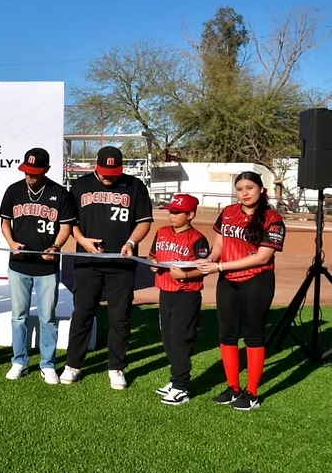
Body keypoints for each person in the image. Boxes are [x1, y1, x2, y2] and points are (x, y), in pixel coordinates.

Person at [62, 146, 153, 390]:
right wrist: (82, 241)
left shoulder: (134, 186)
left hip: (121, 264)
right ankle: (73, 364)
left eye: (113, 173)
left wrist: (131, 242)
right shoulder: (80, 185)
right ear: (96, 167)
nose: (108, 177)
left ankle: (116, 367)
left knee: (120, 317)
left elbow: (144, 222)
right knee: (82, 313)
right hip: (88, 262)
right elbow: (70, 222)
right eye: (104, 172)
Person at [196, 171, 285, 411]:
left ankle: (252, 393)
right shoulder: (228, 212)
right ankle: (233, 387)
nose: (244, 193)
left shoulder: (272, 218)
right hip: (228, 281)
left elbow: (262, 257)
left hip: (257, 281)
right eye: (240, 189)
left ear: (261, 189)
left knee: (254, 336)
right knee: (227, 335)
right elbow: (219, 244)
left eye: (250, 188)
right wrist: (208, 260)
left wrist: (219, 266)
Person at [0, 148, 76, 384]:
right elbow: (5, 222)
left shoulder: (59, 193)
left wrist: (55, 247)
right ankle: (19, 361)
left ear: (46, 170)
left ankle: (48, 364)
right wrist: (11, 243)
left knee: (47, 317)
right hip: (19, 264)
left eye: (35, 172)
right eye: (27, 172)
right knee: (18, 316)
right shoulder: (14, 190)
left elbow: (65, 227)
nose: (30, 176)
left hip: (46, 267)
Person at [146, 193, 210, 406]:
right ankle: (175, 381)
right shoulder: (162, 232)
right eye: (171, 212)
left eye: (177, 212)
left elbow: (203, 269)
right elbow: (152, 255)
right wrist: (153, 263)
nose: (172, 216)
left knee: (181, 341)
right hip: (165, 293)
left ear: (190, 214)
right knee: (168, 339)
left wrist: (185, 275)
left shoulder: (198, 238)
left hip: (186, 295)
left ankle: (182, 387)